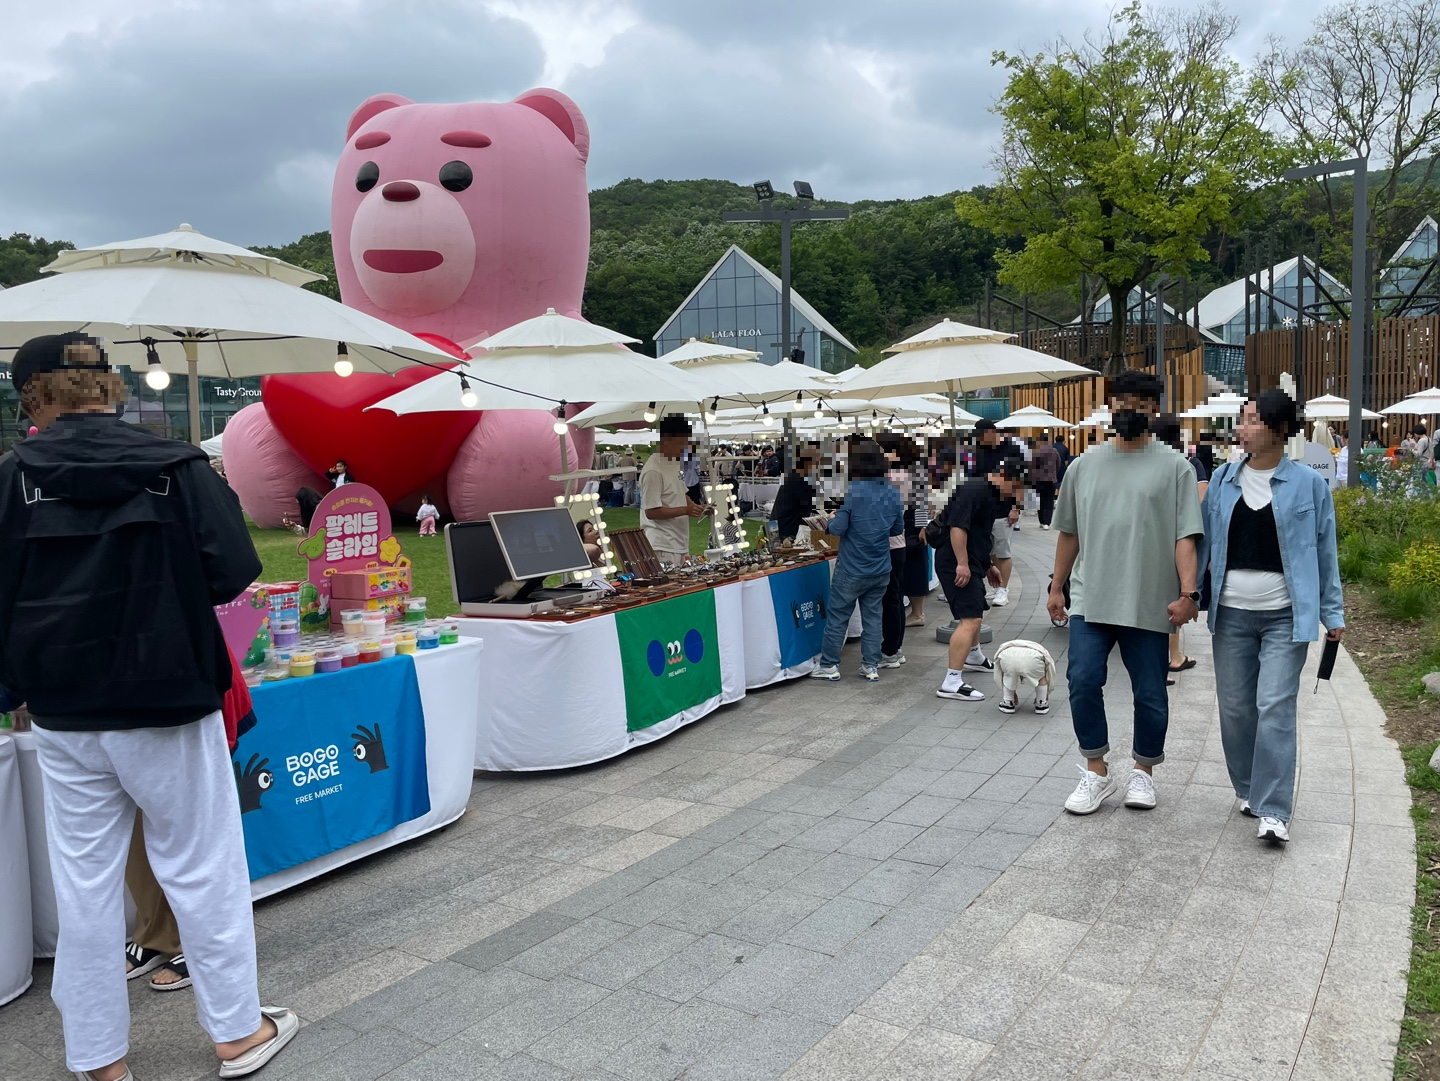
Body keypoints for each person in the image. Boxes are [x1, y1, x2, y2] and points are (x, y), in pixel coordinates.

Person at [0, 333, 296, 1081]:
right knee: (203, 866)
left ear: (32, 396)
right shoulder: (177, 466)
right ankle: (237, 1031)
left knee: (86, 882)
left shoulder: (10, 479)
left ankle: (99, 1057)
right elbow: (234, 569)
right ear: (111, 386)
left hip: (64, 711)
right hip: (168, 697)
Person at [1048, 369, 1203, 815]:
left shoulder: (1175, 467)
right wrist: (1056, 587)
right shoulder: (1083, 466)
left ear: (1152, 410)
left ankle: (1143, 772)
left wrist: (1188, 594)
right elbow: (1069, 533)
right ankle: (1096, 771)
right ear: (1109, 406)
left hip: (1150, 600)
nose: (1126, 407)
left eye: (1137, 401)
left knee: (1151, 692)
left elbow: (1185, 537)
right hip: (1091, 597)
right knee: (1081, 681)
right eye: (1119, 400)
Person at [1201, 390, 1344, 844]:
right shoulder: (1223, 480)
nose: (1241, 429)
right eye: (1241, 421)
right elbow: (1203, 544)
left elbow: (1325, 551)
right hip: (1231, 615)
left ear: (1280, 429)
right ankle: (1249, 789)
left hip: (1285, 616)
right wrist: (1186, 595)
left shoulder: (1308, 485)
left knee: (1275, 707)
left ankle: (1275, 809)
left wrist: (1332, 612)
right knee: (1237, 710)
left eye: (1251, 420)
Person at [810, 441, 905, 683]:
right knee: (873, 617)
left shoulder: (854, 492)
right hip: (881, 566)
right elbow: (897, 529)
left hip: (852, 567)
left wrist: (830, 520)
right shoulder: (893, 492)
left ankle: (829, 664)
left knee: (838, 616)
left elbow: (838, 528)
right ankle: (870, 665)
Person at [934, 457, 1028, 701]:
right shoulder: (973, 489)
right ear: (1006, 477)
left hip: (971, 560)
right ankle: (951, 682)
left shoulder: (993, 495)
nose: (1017, 495)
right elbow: (957, 528)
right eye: (1017, 488)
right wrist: (962, 564)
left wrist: (987, 566)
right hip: (954, 560)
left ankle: (973, 656)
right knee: (970, 619)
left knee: (976, 610)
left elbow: (980, 534)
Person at [1151, 416, 1207, 681]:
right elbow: (1201, 501)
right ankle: (1172, 657)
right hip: (1180, 542)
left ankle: (1166, 656)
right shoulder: (1188, 465)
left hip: (1151, 542)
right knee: (1175, 598)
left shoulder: (1145, 465)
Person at [640, 415, 710, 566]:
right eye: (684, 443)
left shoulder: (673, 463)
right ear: (667, 439)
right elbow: (651, 512)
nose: (687, 448)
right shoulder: (653, 470)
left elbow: (681, 493)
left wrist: (699, 508)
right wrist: (686, 510)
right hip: (662, 546)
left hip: (679, 542)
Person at [970, 420, 1021, 605]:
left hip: (1003, 509)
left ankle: (1003, 590)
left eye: (982, 436)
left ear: (992, 432)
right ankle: (996, 585)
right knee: (988, 550)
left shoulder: (1012, 450)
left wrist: (1015, 508)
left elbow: (1019, 481)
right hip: (982, 510)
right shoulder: (977, 450)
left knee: (1003, 551)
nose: (980, 440)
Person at [875, 435, 916, 668]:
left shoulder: (893, 476)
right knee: (895, 598)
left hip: (889, 544)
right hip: (897, 544)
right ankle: (895, 648)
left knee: (890, 599)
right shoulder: (904, 474)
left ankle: (890, 650)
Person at [769, 447, 818, 541]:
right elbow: (811, 503)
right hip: (786, 527)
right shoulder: (801, 478)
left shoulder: (797, 474)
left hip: (781, 523)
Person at [1030, 433, 1061, 530]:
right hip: (1050, 479)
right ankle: (1047, 522)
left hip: (1038, 479)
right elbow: (1058, 463)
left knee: (1039, 500)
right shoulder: (1054, 451)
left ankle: (1041, 521)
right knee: (1049, 500)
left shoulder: (1035, 451)